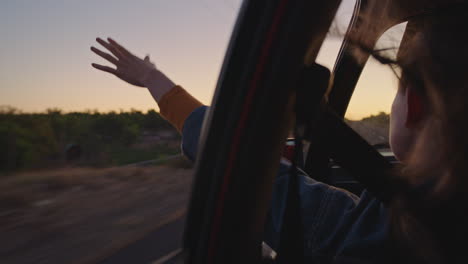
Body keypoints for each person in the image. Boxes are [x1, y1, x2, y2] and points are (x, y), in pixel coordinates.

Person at [90, 5, 468, 262]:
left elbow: (239, 165)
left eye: (397, 86)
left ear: (416, 104)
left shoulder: (388, 230)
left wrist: (152, 79)